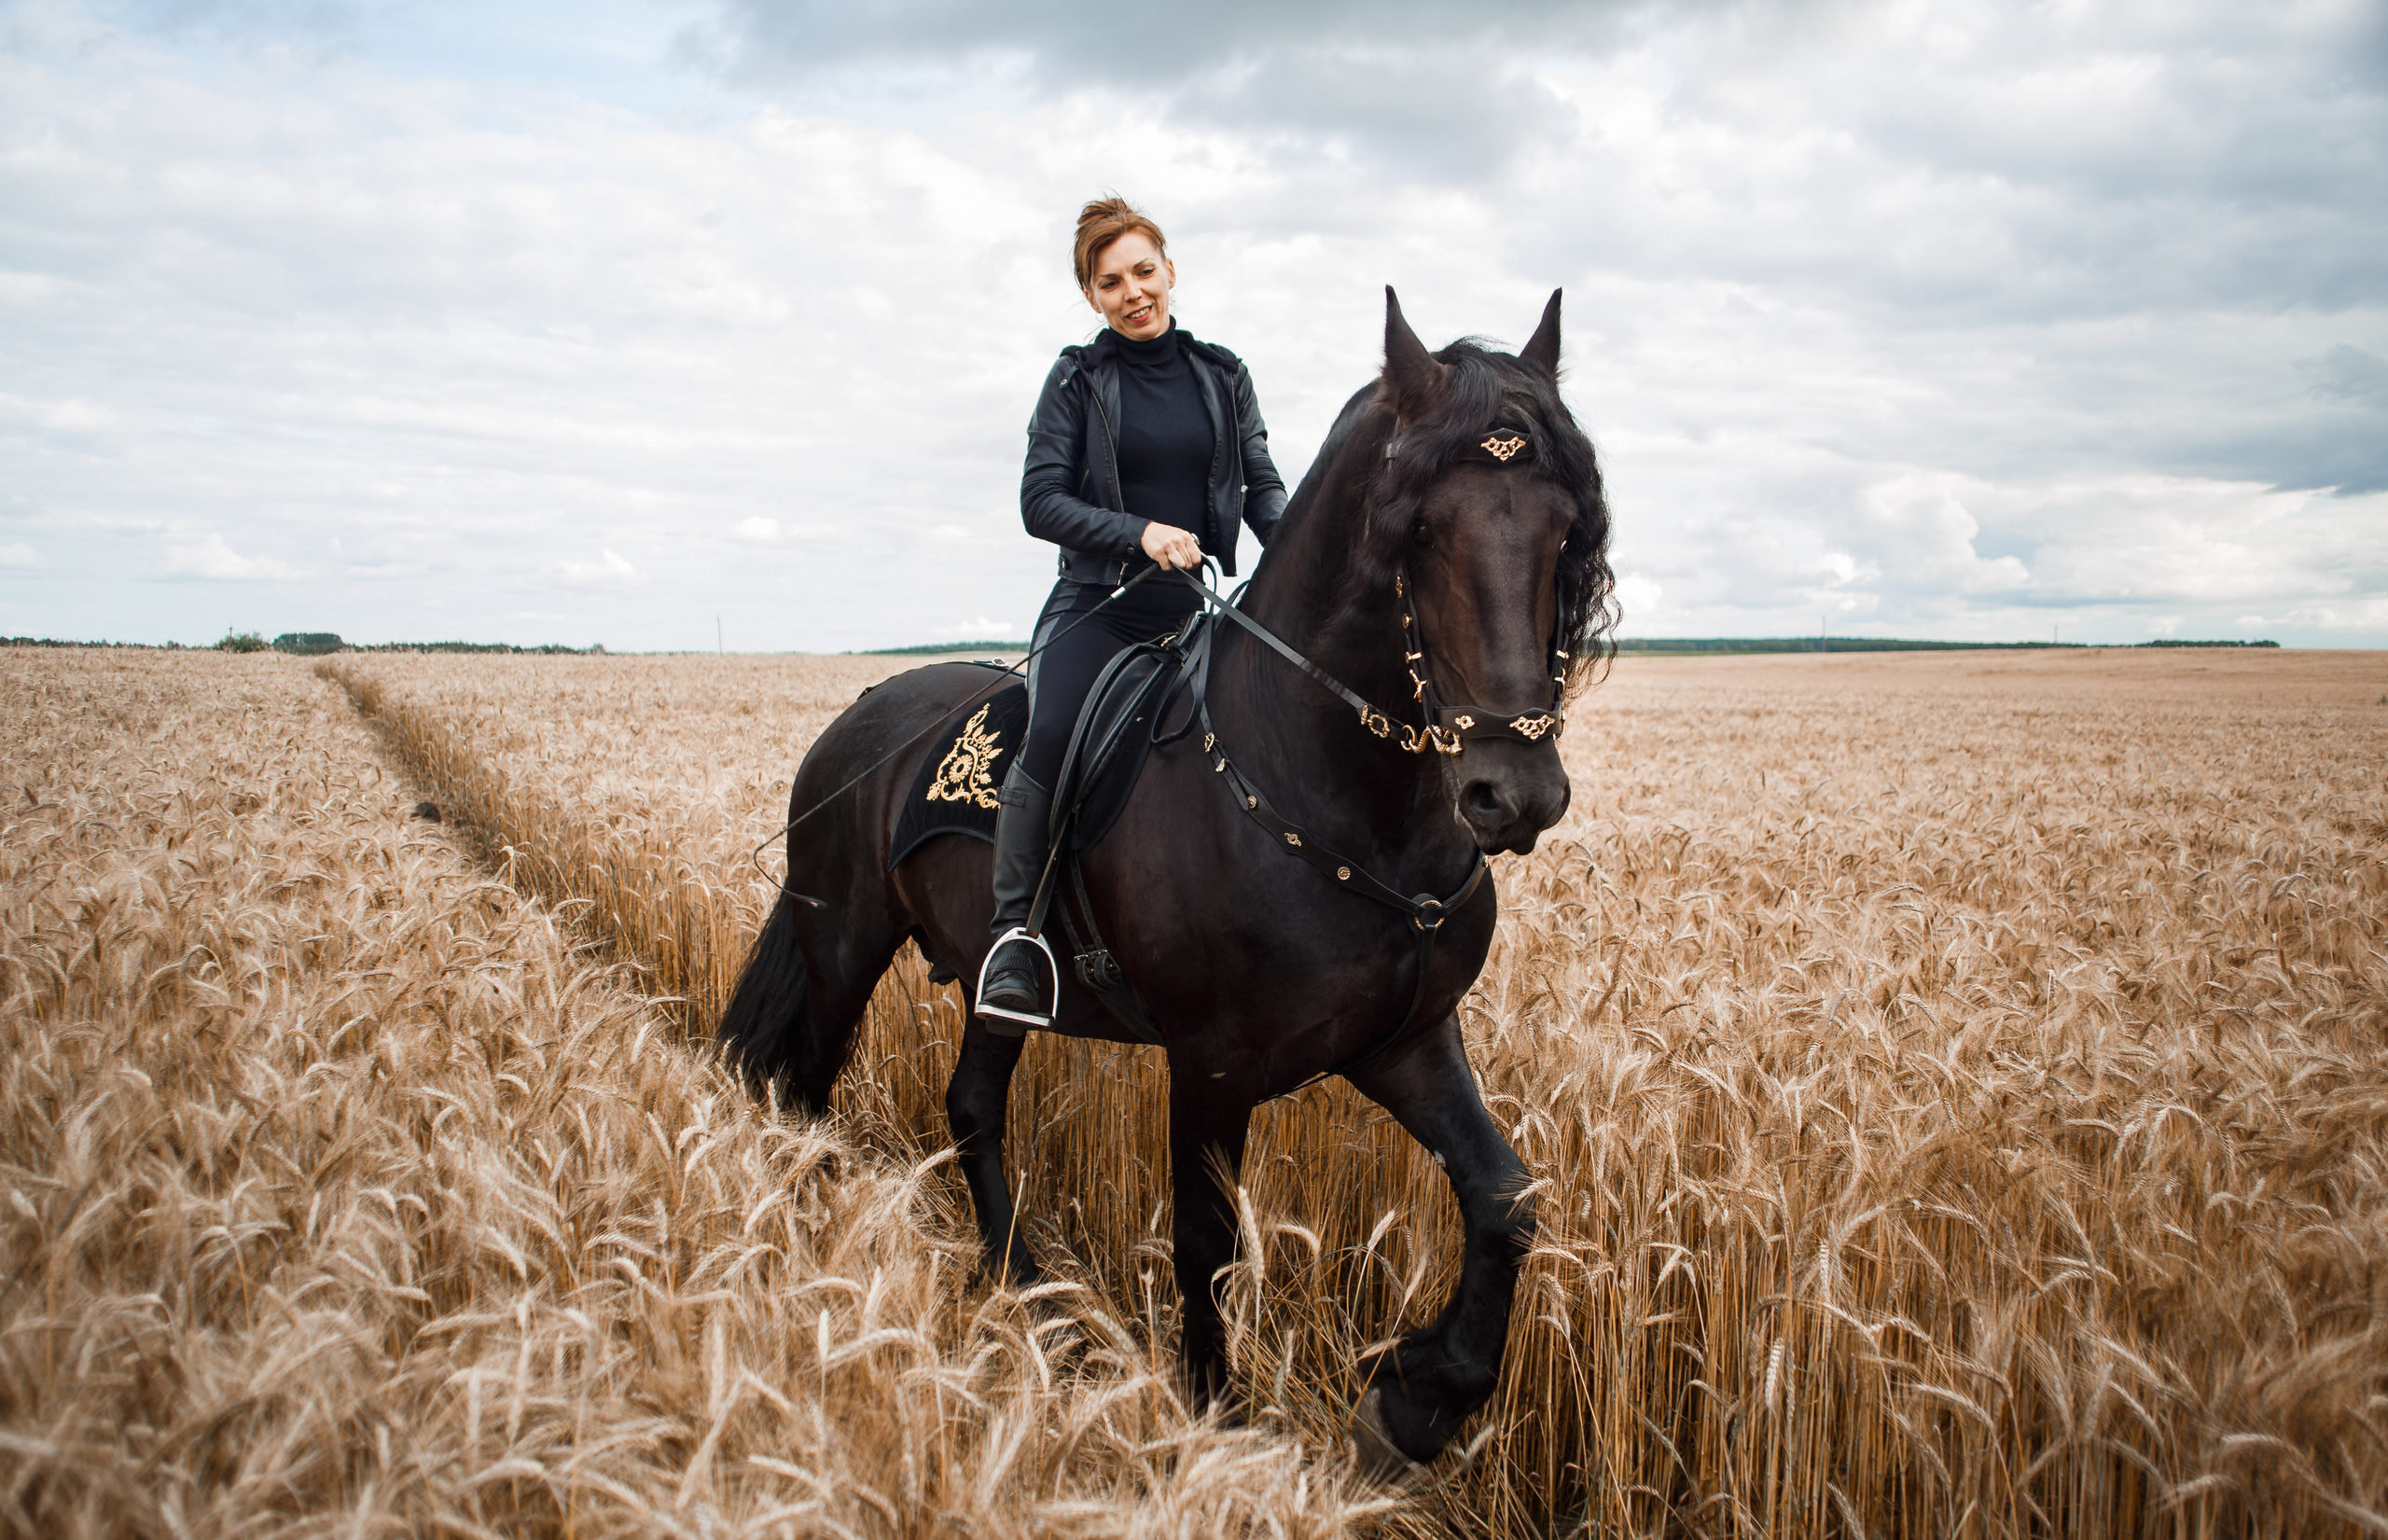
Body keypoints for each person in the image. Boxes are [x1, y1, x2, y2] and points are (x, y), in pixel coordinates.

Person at [977, 196, 1289, 1029]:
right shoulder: (1079, 378)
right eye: (1110, 282)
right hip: (1097, 612)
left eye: (1143, 272)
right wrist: (1138, 532)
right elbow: (1040, 500)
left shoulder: (1224, 375)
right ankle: (1015, 938)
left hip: (1196, 618)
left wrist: (1303, 554)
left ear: (1170, 270)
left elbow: (1261, 487)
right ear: (1091, 298)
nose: (1132, 293)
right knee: (1049, 739)